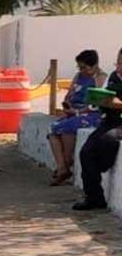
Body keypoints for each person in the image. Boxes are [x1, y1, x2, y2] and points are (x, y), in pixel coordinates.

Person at [74, 48, 122, 211]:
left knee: (107, 142)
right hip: (109, 120)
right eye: (118, 63)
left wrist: (118, 104)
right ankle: (94, 198)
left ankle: (101, 166)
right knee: (85, 152)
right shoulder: (113, 77)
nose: (119, 67)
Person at [49, 50, 106, 186]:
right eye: (80, 67)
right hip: (73, 112)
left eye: (84, 67)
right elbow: (70, 94)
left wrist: (77, 111)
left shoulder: (100, 78)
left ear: (94, 66)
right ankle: (62, 167)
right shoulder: (78, 76)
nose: (82, 70)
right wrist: (68, 105)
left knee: (67, 128)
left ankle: (65, 165)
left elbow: (96, 105)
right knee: (53, 131)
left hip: (90, 114)